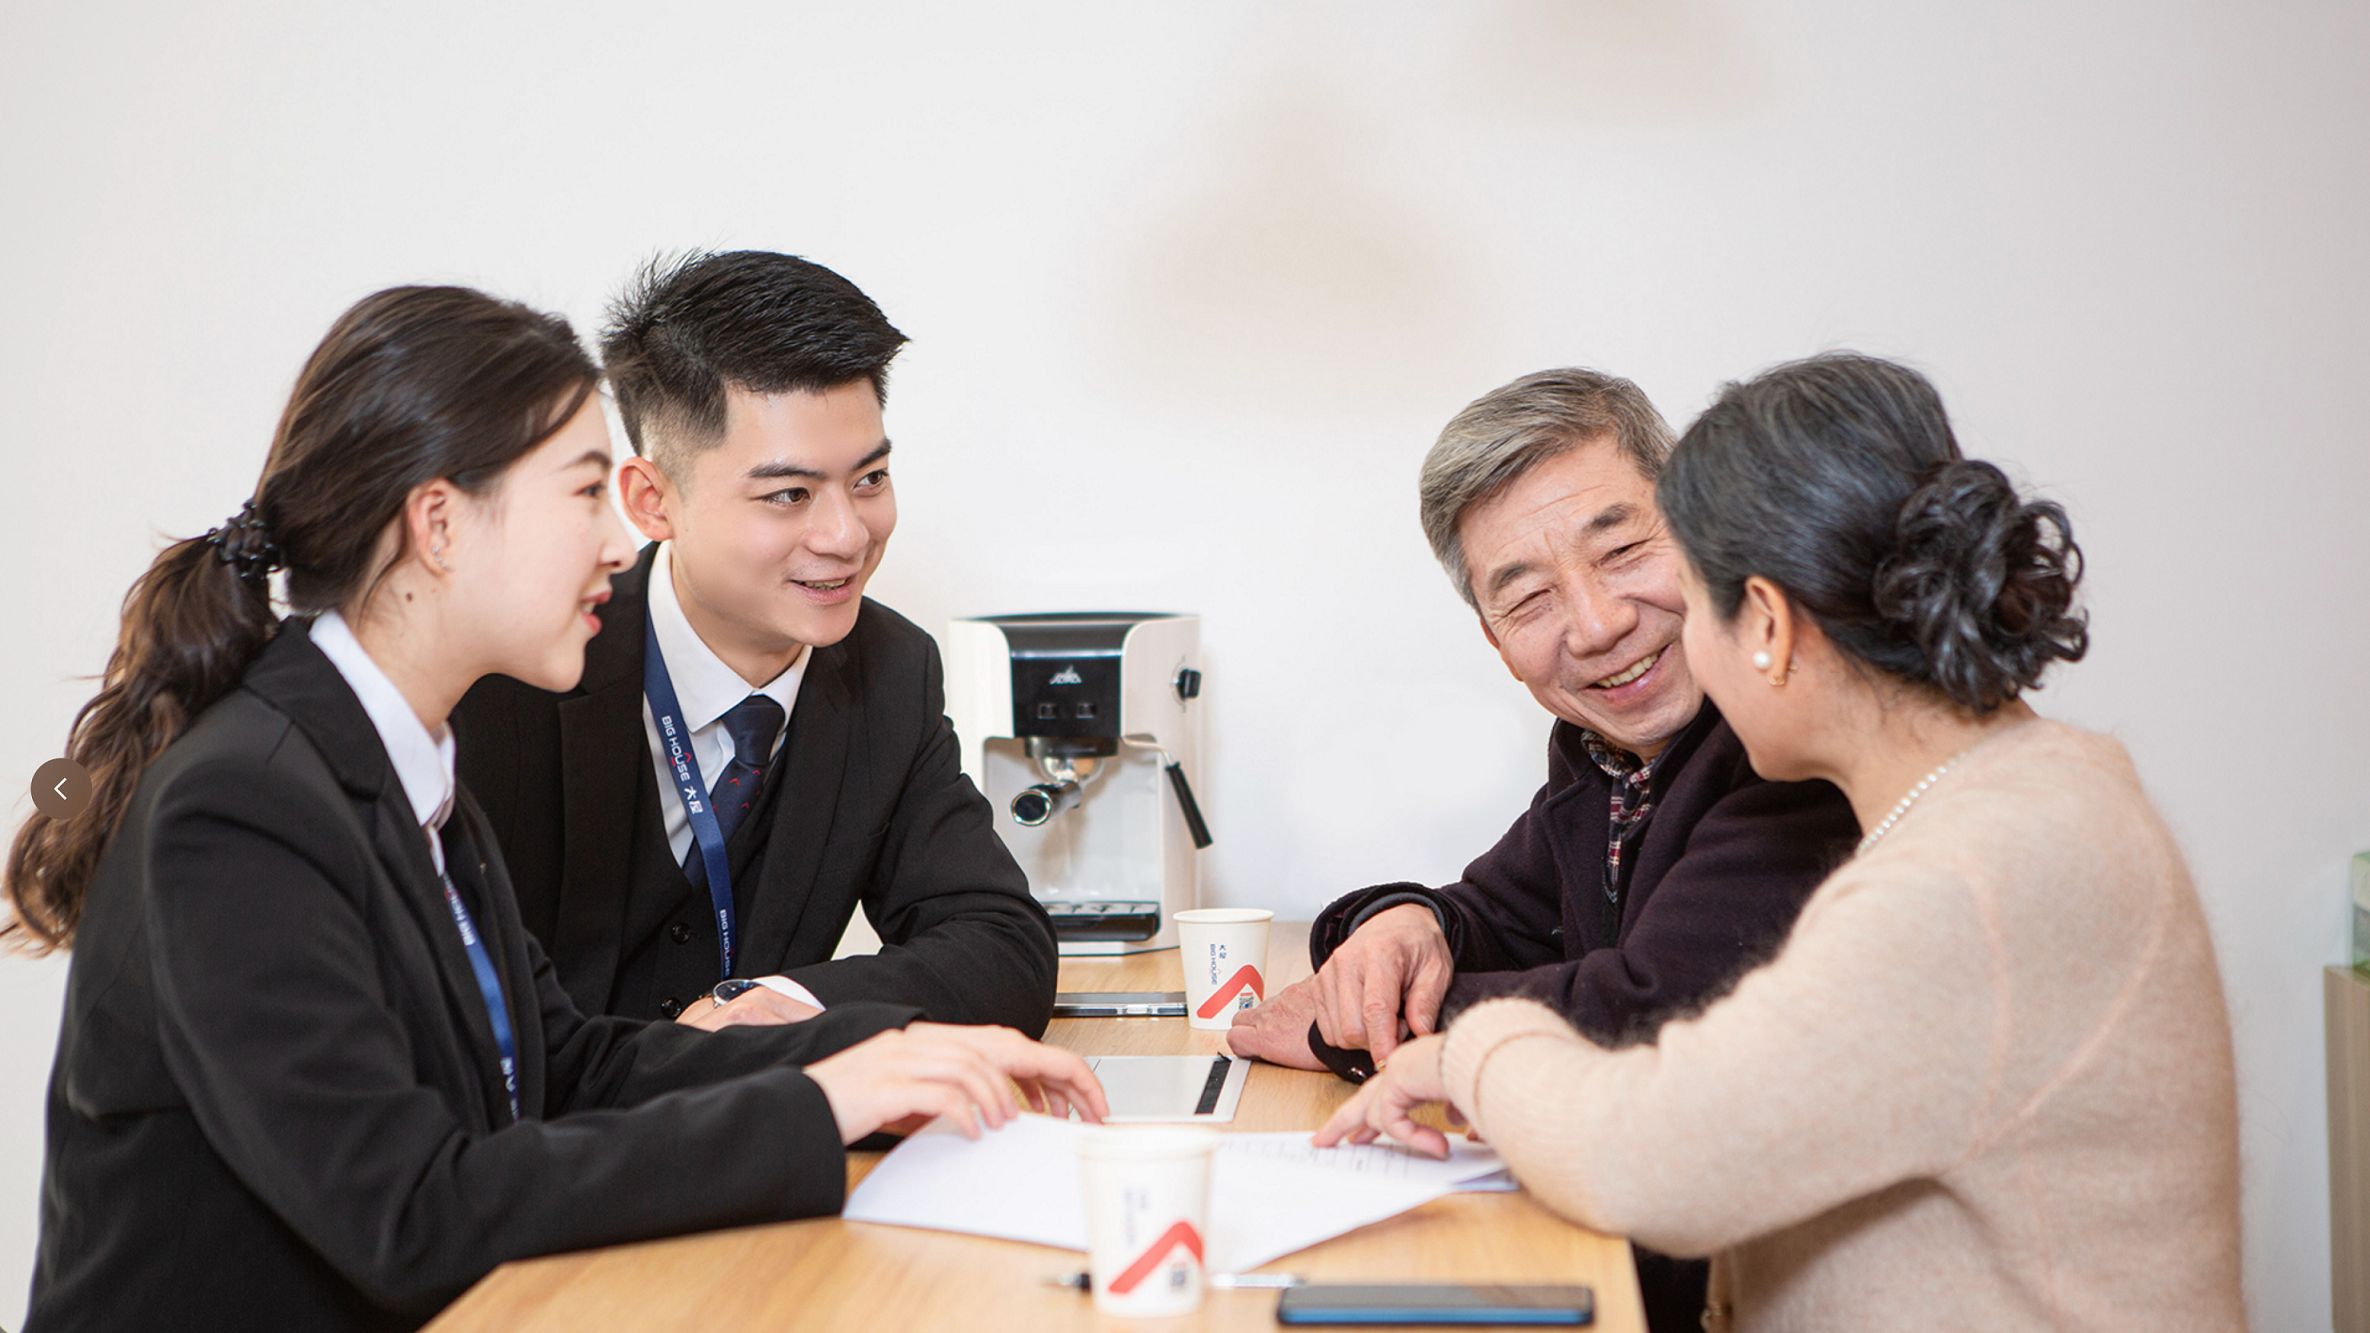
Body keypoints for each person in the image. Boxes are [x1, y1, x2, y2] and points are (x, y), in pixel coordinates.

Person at [7, 286, 1106, 1332]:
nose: (620, 545)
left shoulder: (403, 767)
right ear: (439, 524)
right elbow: (414, 1213)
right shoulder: (241, 804)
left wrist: (876, 1059)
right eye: (585, 494)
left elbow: (570, 1066)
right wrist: (817, 1108)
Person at [1317, 353, 2245, 1331]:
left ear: (1762, 623)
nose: (1623, 631)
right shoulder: (1998, 802)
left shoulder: (1979, 870)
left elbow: (1655, 1159)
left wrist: (1465, 1053)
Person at [1225, 368, 1858, 1328]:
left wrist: (1350, 1028)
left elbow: (1653, 1011)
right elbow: (1497, 911)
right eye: (1530, 599)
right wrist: (1406, 921)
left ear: (1704, 530)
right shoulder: (1608, 752)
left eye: (1623, 550)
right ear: (1492, 638)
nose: (1598, 625)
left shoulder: (1787, 738)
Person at [452, 250, 1056, 1033]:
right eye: (789, 494)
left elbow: (1004, 947)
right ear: (652, 500)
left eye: (869, 479)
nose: (846, 534)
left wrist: (794, 1004)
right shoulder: (518, 670)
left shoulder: (889, 673)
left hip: (759, 1142)